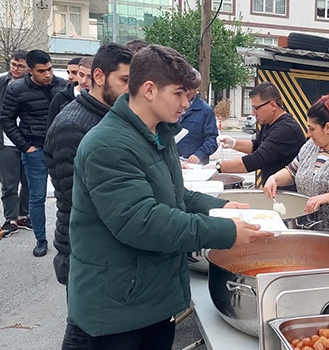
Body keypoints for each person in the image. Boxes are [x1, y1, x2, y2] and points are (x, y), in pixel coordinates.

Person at [66, 44, 272, 350]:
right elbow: (144, 222)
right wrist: (225, 231)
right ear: (149, 89)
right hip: (114, 311)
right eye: (178, 93)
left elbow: (177, 196)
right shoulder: (108, 145)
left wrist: (222, 207)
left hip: (151, 302)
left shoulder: (156, 134)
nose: (187, 103)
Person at [44, 43, 133, 350]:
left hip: (100, 253)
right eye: (124, 81)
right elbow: (78, 202)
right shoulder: (74, 125)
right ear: (98, 76)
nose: (130, 91)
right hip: (83, 254)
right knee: (85, 336)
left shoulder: (107, 117)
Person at [263, 94, 329, 237]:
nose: (308, 134)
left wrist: (325, 198)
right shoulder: (309, 147)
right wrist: (274, 179)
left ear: (328, 127)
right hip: (306, 231)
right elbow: (291, 171)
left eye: (312, 129)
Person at [0, 50, 66, 256]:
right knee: (36, 197)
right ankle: (40, 240)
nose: (47, 74)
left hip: (61, 149)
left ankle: (68, 240)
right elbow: (6, 119)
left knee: (68, 195)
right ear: (30, 71)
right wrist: (24, 146)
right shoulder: (16, 89)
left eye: (50, 69)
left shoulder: (62, 85)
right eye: (42, 71)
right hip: (34, 149)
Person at [215, 82, 306, 190]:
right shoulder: (268, 123)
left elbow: (257, 159)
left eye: (256, 108)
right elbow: (257, 145)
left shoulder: (286, 129)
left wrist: (219, 167)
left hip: (287, 193)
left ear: (273, 105)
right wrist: (234, 143)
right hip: (272, 190)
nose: (253, 113)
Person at [0, 49, 31, 236]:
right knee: (9, 183)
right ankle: (10, 218)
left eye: (20, 66)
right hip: (7, 141)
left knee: (28, 182)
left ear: (28, 68)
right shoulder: (2, 82)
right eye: (13, 64)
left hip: (28, 140)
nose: (15, 69)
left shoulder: (33, 85)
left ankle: (23, 215)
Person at [176, 69, 218, 165]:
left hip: (195, 166)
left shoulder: (206, 111)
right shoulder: (170, 106)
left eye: (189, 89)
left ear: (197, 88)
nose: (186, 92)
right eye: (183, 88)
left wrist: (199, 154)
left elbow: (212, 139)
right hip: (173, 163)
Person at [47, 56, 94, 129]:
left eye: (90, 77)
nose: (84, 80)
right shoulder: (61, 96)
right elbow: (50, 127)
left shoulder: (102, 99)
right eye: (81, 75)